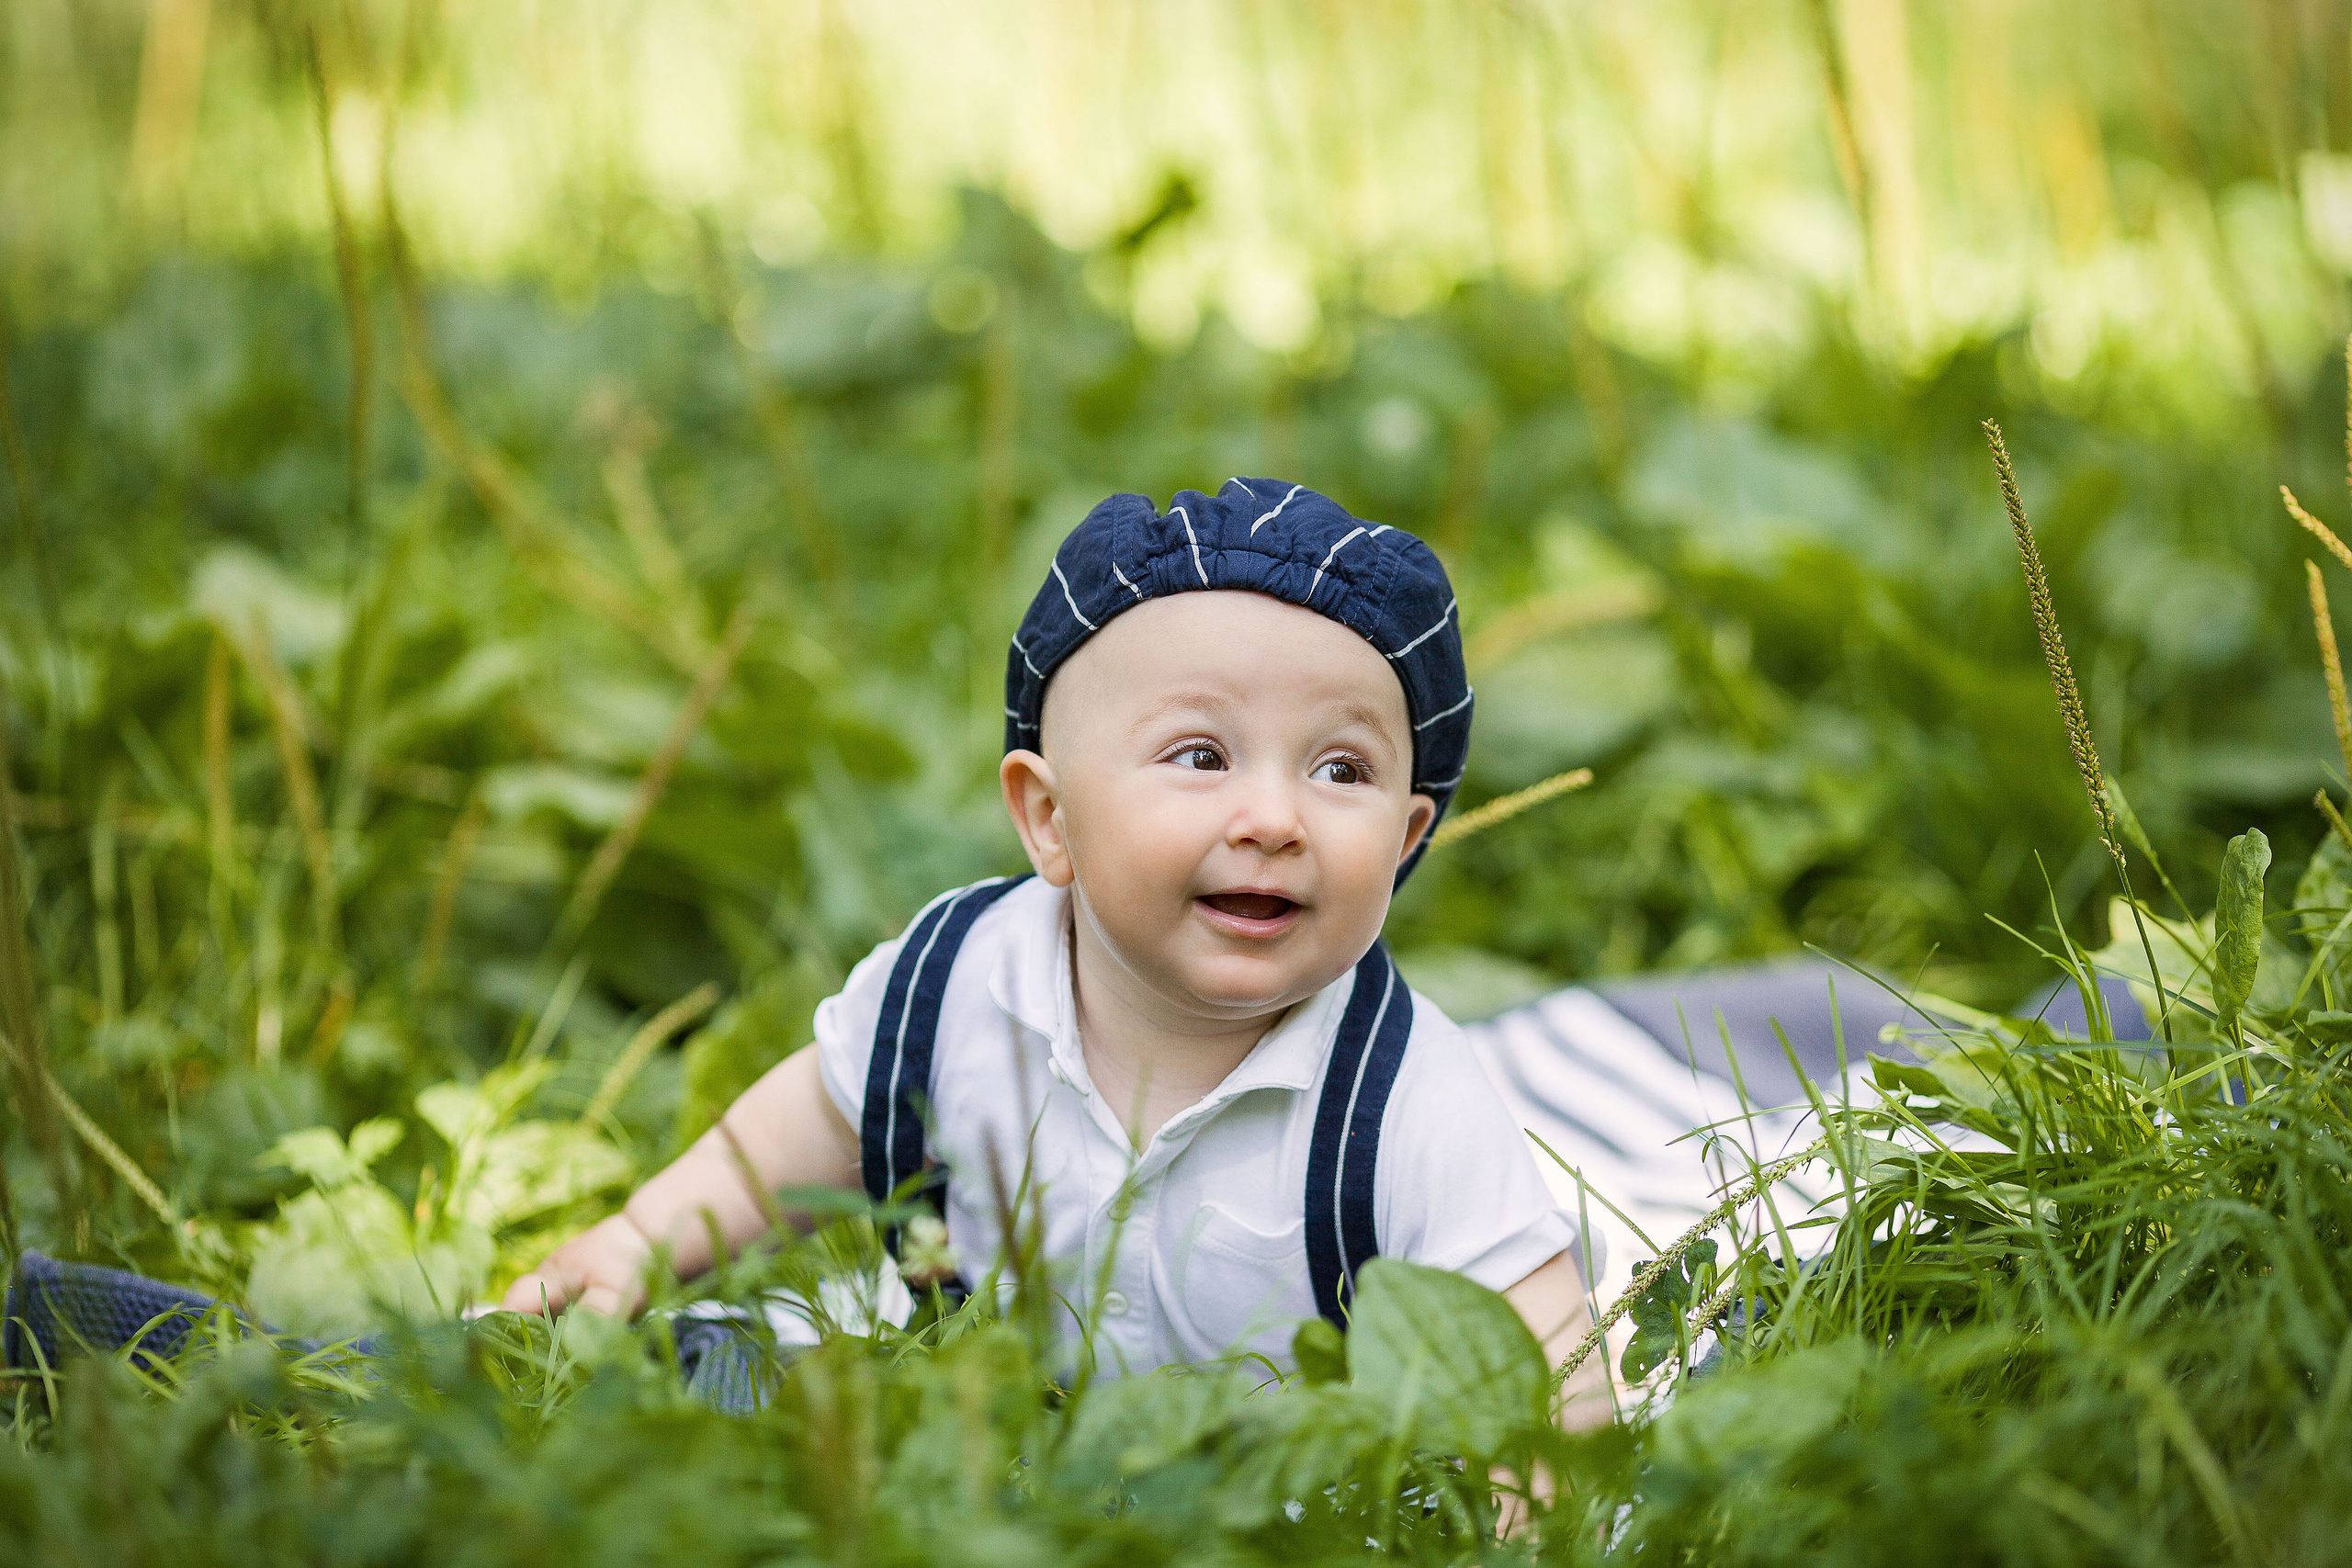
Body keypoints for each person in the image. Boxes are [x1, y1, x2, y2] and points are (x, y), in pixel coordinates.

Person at [504, 479, 1611, 1416]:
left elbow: (1542, 1357)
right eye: (1200, 755)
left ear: (1407, 839)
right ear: (1049, 819)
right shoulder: (953, 986)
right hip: (966, 1426)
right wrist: (640, 1238)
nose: (1275, 819)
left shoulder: (1407, 1097)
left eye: (1341, 770)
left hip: (1268, 1502)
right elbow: (810, 1129)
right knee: (704, 1386)